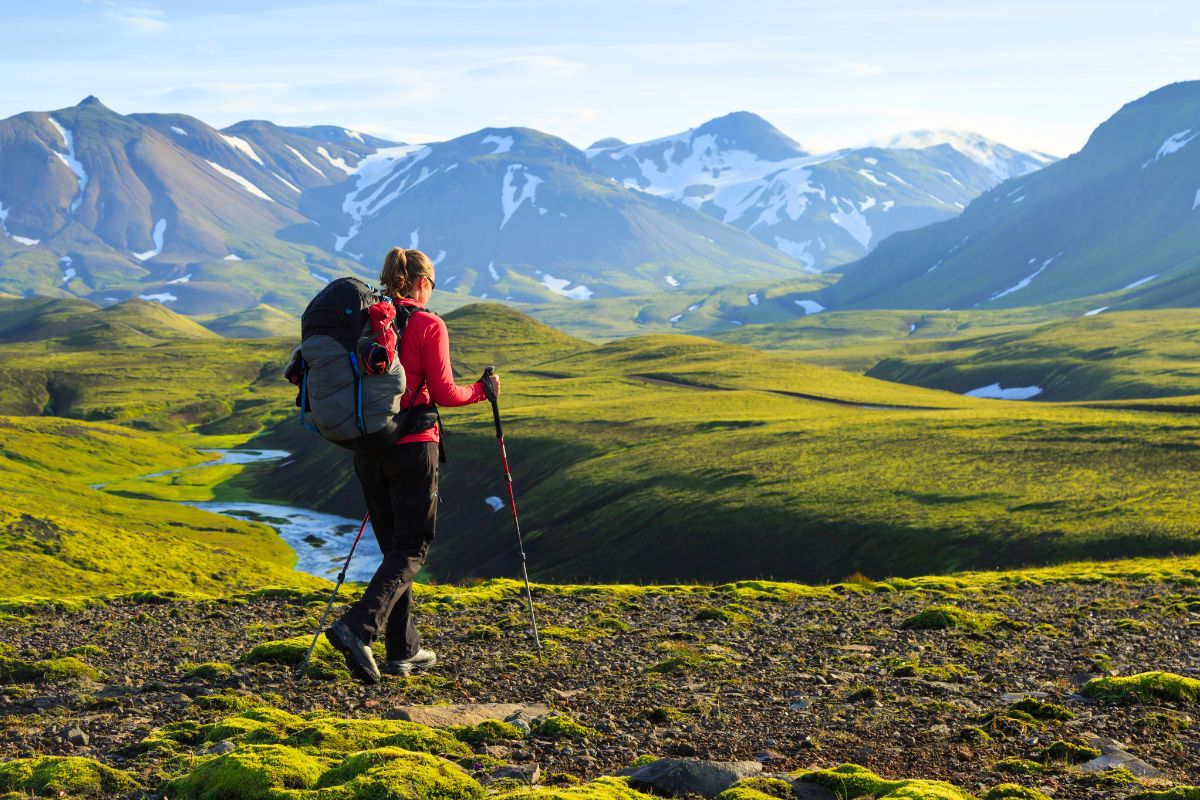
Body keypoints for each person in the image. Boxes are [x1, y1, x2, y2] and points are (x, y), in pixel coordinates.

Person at [325, 247, 498, 683]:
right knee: (413, 546)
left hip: (367, 449)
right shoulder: (427, 324)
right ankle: (356, 627)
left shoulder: (364, 324)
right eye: (433, 284)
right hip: (415, 446)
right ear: (423, 283)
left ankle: (403, 650)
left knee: (395, 552)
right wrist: (482, 390)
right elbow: (444, 393)